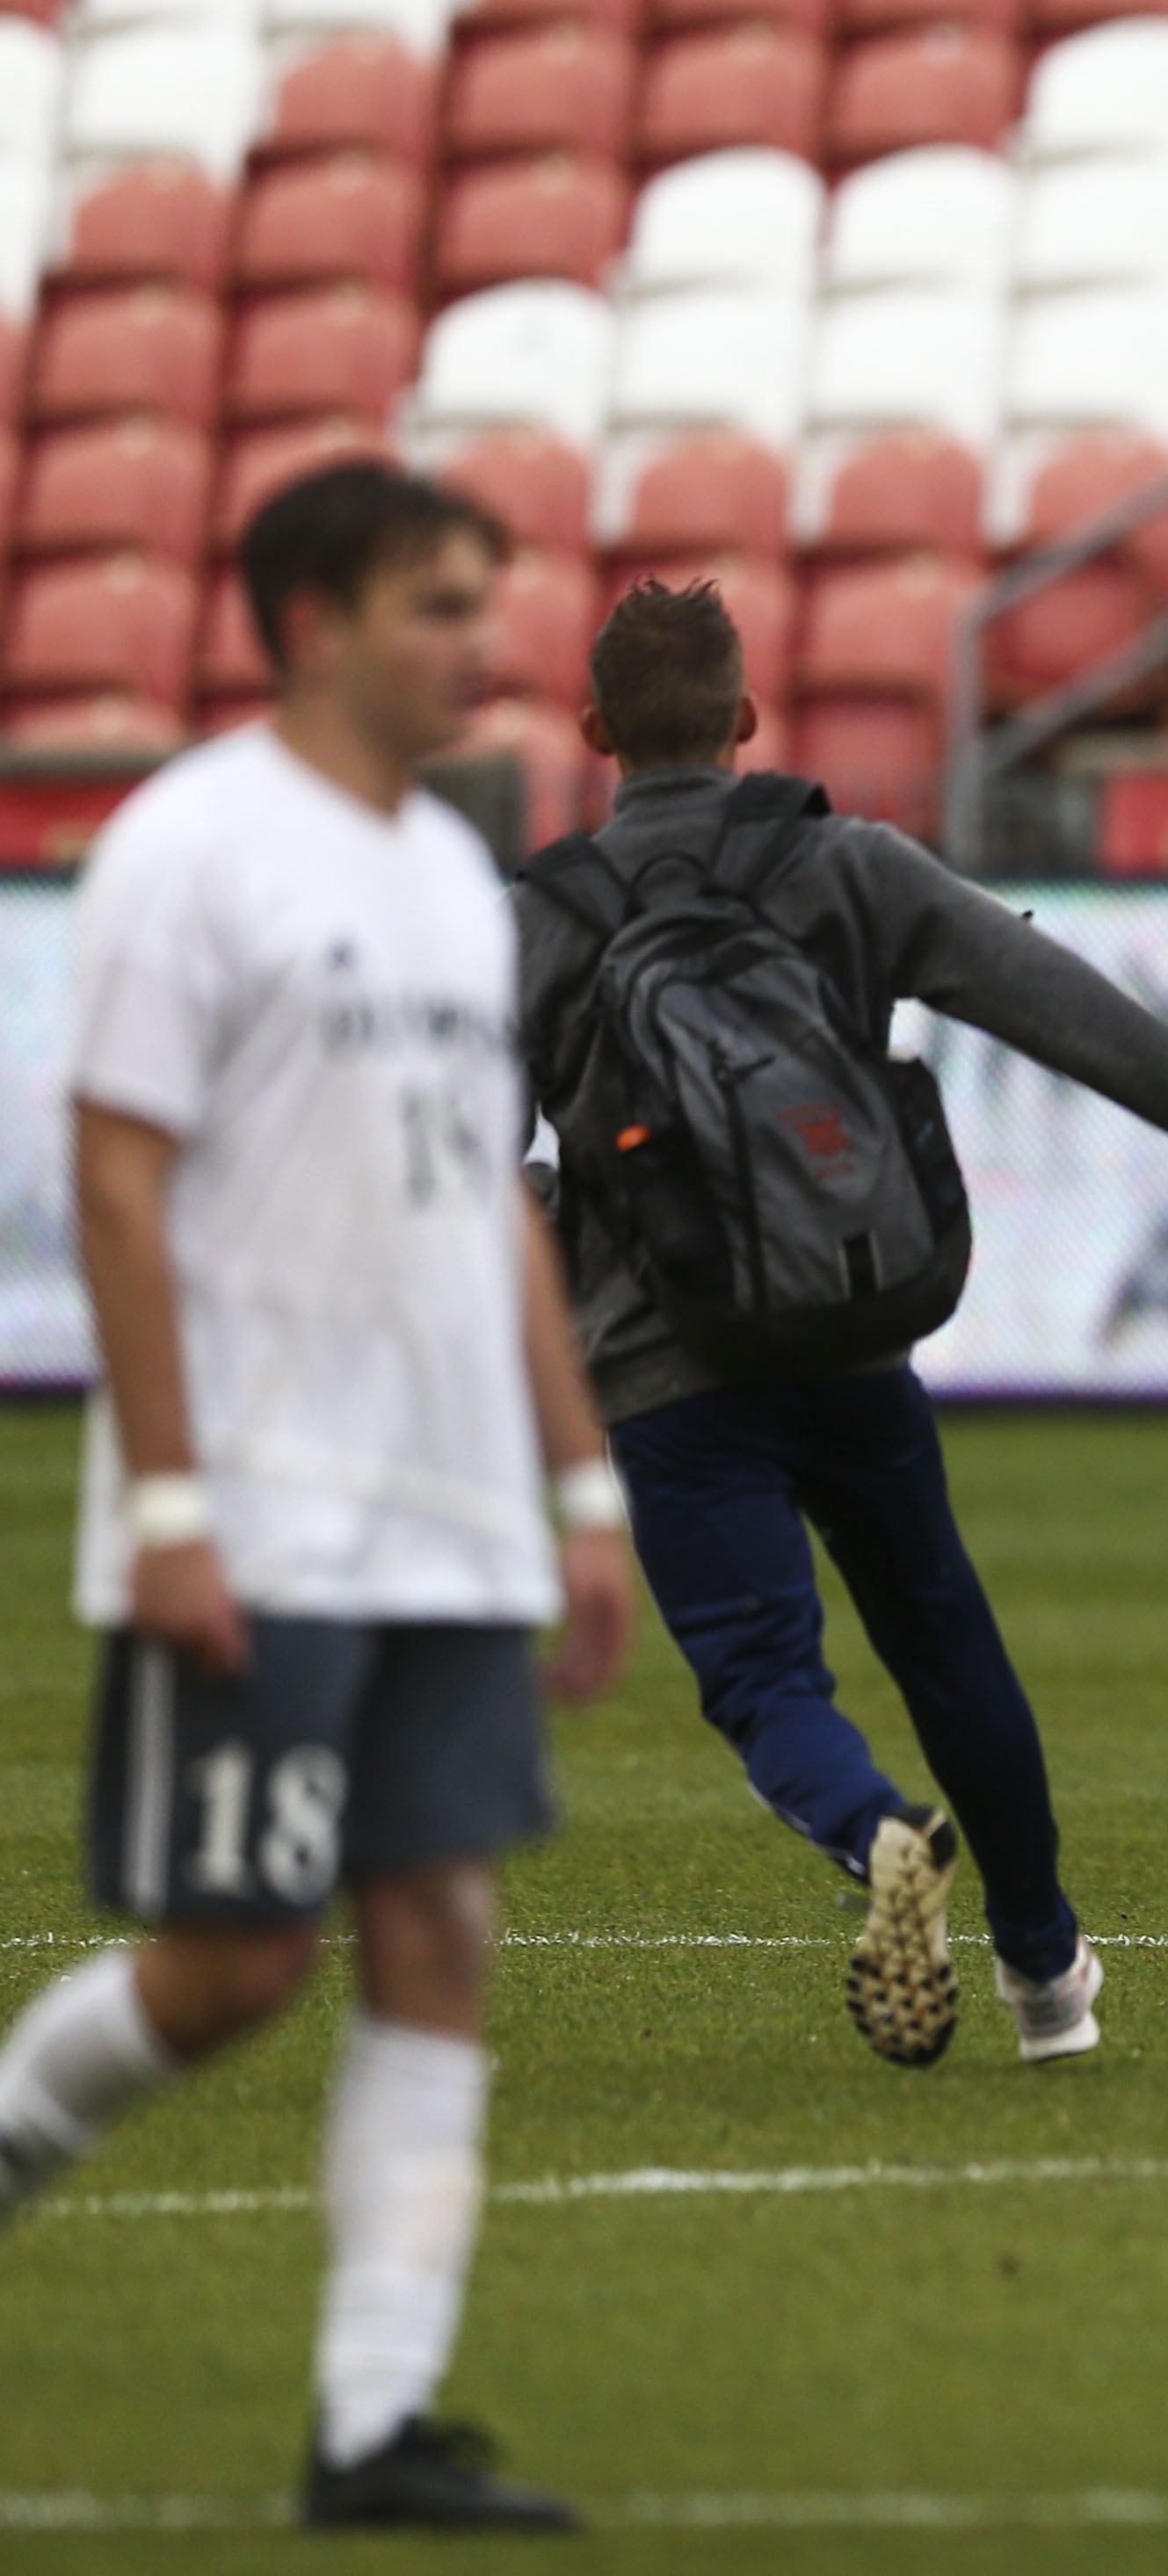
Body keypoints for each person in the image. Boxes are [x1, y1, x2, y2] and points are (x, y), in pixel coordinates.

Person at [0, 463, 635, 2527]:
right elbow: (114, 1173)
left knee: (440, 1925)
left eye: (485, 601)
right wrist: (167, 1497)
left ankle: (375, 2420)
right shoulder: (191, 849)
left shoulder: (463, 880)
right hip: (265, 1496)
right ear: (311, 621)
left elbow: (498, 1212)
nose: (487, 641)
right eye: (439, 605)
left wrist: (580, 1485)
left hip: (449, 1501)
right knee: (235, 1959)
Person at [517, 581, 1168, 2067]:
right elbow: (1070, 1010)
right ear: (748, 718)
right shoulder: (846, 864)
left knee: (767, 1680)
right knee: (948, 1641)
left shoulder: (538, 919)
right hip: (851, 1336)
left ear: (592, 735)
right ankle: (1044, 1982)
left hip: (661, 1375)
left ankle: (878, 1830)